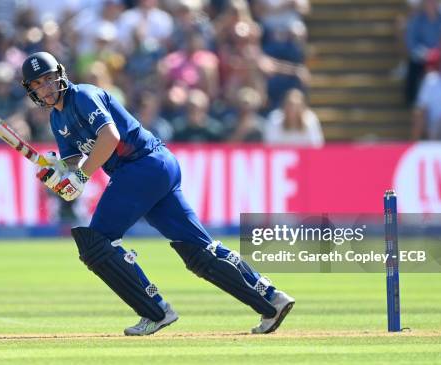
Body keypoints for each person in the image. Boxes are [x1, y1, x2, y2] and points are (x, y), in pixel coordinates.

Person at [20, 51, 295, 336]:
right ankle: (271, 299)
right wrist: (57, 170)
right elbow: (75, 159)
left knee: (97, 242)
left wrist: (79, 176)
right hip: (153, 168)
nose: (47, 88)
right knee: (197, 249)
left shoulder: (84, 96)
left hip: (142, 165)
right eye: (39, 84)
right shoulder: (57, 119)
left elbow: (110, 137)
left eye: (50, 79)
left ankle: (156, 310)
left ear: (61, 75)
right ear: (32, 91)